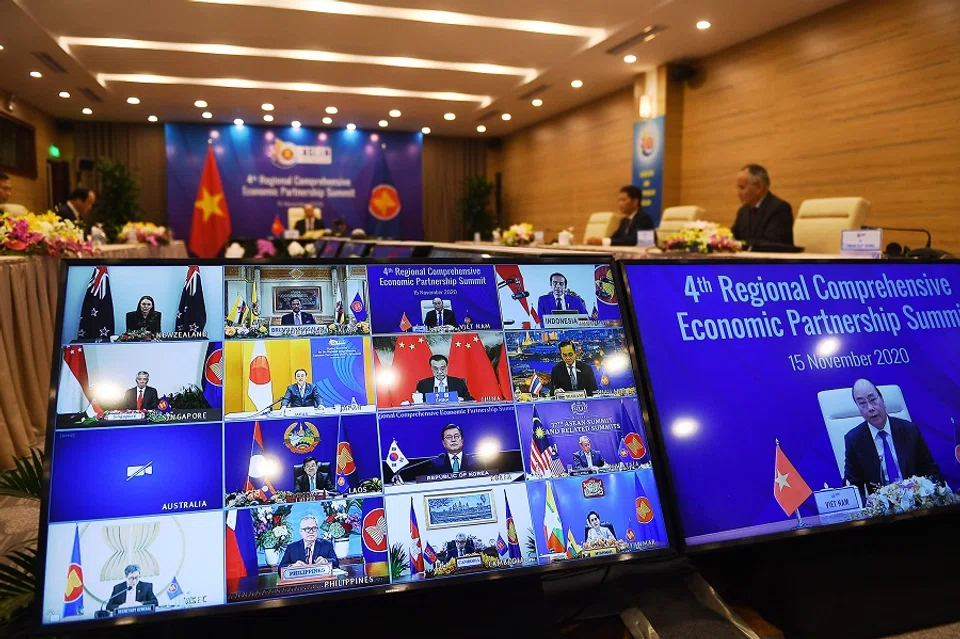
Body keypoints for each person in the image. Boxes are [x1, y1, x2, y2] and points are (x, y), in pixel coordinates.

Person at [842, 378, 942, 499]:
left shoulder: (910, 431)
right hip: (881, 512)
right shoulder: (854, 440)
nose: (870, 408)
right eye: (862, 403)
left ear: (882, 400)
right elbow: (853, 487)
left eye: (873, 399)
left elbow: (931, 471)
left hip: (917, 505)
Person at [731, 164, 794, 246]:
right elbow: (734, 237)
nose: (738, 193)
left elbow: (772, 244)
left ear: (758, 187)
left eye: (742, 188)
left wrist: (742, 244)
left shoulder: (780, 208)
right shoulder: (743, 211)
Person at [586, 185, 654, 246]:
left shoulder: (644, 218)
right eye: (619, 200)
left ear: (635, 202)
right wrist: (599, 241)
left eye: (623, 200)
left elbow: (633, 241)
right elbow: (615, 237)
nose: (620, 203)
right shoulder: (624, 220)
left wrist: (604, 241)